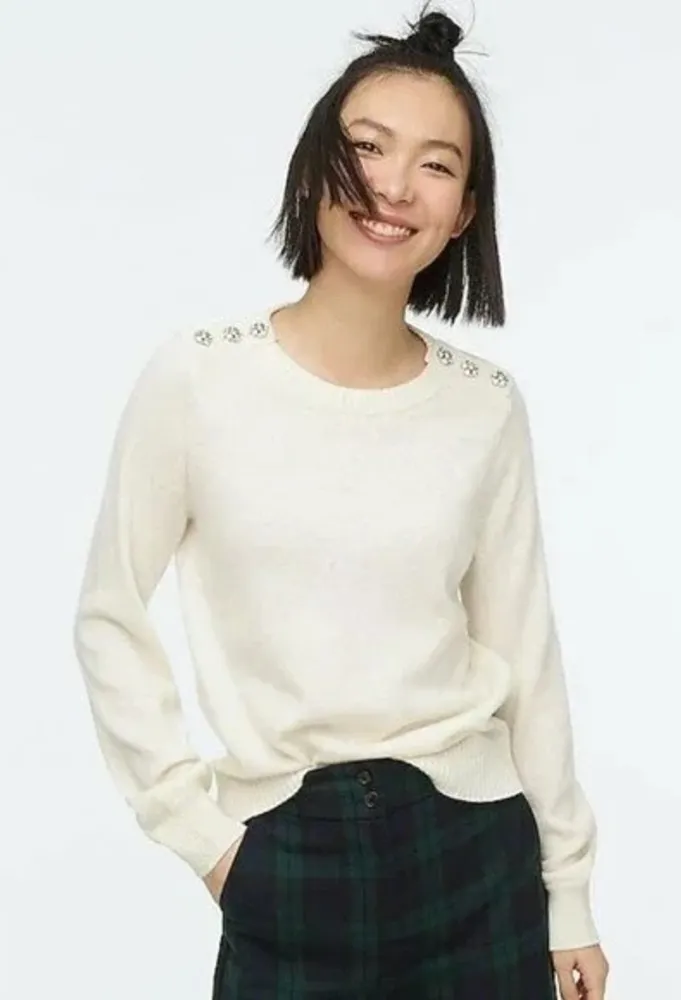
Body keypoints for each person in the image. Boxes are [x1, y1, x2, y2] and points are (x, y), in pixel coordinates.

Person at [72, 5, 610, 999]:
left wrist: (567, 893)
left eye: (435, 164)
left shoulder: (485, 407)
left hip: (477, 855)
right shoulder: (198, 378)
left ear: (464, 212)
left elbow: (526, 656)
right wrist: (206, 840)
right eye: (368, 146)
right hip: (286, 855)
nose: (395, 186)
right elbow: (109, 614)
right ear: (317, 165)